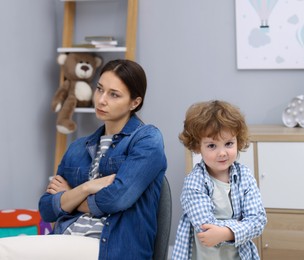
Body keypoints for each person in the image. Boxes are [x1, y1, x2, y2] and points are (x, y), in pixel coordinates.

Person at [0, 59, 167, 260]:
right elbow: (46, 208)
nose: (101, 100)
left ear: (135, 102)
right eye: (99, 89)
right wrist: (86, 188)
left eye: (114, 94)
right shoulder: (79, 147)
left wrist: (69, 196)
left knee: (4, 250)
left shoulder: (146, 139)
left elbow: (116, 199)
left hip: (110, 248)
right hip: (66, 238)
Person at [172, 100, 267, 260]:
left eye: (229, 143)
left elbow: (258, 220)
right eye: (212, 146)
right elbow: (205, 228)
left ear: (238, 141)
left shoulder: (245, 176)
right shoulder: (194, 182)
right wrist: (241, 227)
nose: (222, 153)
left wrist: (226, 233)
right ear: (197, 146)